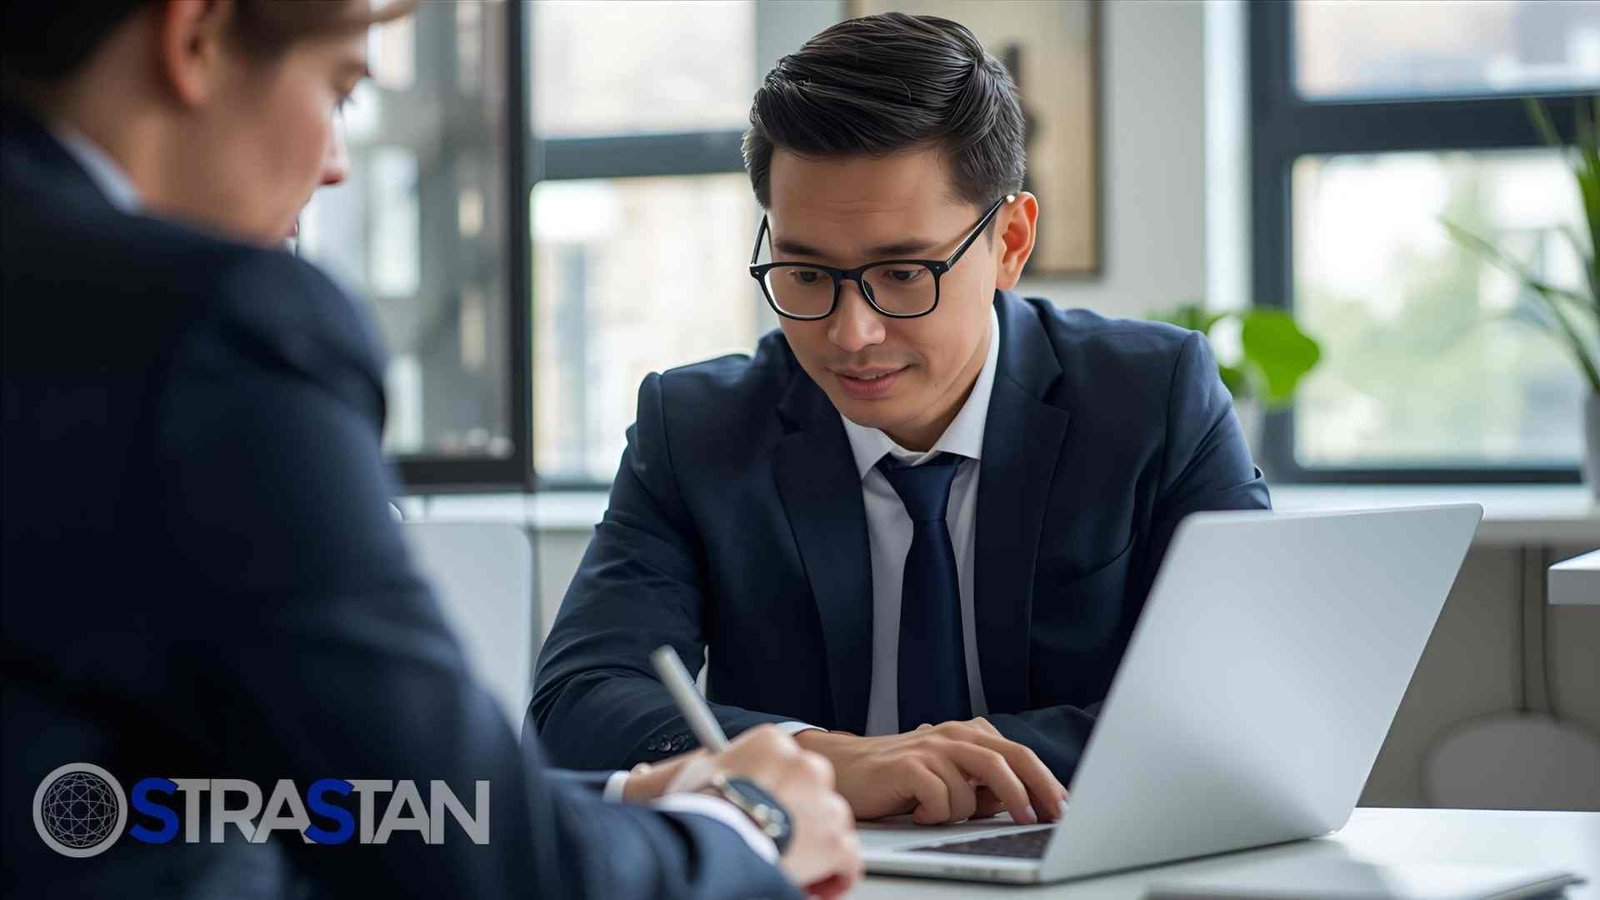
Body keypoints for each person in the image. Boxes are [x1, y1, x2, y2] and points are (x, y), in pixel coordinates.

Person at [0, 1, 860, 896]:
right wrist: (750, 827)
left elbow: (199, 793)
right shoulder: (208, 327)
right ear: (196, 38)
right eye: (338, 89)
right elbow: (469, 872)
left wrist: (620, 797)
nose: (336, 165)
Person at [530, 12, 1272, 827]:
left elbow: (1241, 700)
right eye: (806, 273)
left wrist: (946, 768)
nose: (853, 333)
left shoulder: (1149, 398)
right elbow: (580, 704)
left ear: (1011, 241)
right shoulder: (697, 427)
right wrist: (819, 758)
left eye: (903, 271)